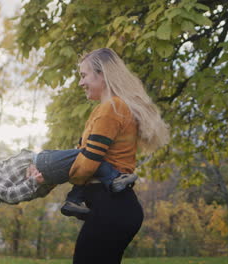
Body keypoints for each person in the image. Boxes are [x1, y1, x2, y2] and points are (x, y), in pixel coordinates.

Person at [68, 48, 170, 264]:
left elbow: (87, 164)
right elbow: (85, 154)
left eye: (83, 75)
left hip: (111, 209)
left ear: (102, 74)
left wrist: (65, 173)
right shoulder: (114, 108)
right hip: (115, 208)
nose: (80, 83)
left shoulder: (111, 109)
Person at [0, 148, 137, 218]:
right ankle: (114, 178)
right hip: (43, 165)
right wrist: (33, 181)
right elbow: (13, 195)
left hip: (44, 168)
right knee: (88, 154)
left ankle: (73, 200)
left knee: (82, 168)